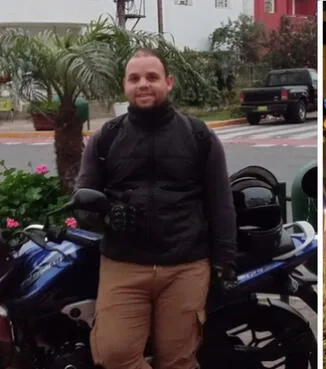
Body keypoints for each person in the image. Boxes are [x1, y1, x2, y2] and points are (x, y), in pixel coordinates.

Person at [75, 48, 237, 369]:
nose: (143, 85)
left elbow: (221, 204)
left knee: (177, 361)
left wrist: (225, 263)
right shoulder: (105, 139)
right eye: (134, 78)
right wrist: (104, 214)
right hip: (123, 265)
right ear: (124, 85)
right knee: (113, 355)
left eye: (152, 77)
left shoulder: (199, 135)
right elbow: (83, 198)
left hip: (184, 265)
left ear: (169, 82)